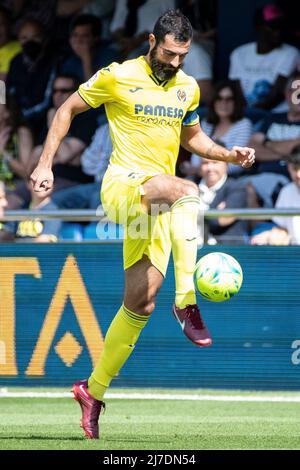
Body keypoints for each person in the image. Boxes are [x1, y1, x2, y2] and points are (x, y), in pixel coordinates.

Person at [30, 10, 255, 439]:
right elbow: (67, 109)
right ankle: (187, 300)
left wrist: (228, 154)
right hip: (122, 188)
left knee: (140, 303)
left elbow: (193, 137)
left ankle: (91, 391)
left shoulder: (186, 88)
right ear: (152, 41)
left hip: (155, 205)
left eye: (182, 56)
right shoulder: (118, 75)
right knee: (186, 190)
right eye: (168, 53)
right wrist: (45, 163)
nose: (174, 63)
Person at [229, 4, 299, 113]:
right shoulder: (239, 53)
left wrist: (252, 114)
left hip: (276, 115)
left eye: (280, 27)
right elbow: (236, 91)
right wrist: (245, 115)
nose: (278, 32)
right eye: (272, 27)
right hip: (246, 114)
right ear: (258, 27)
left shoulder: (291, 53)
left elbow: (277, 94)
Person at [187, 80, 253, 177]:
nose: (223, 103)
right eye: (219, 98)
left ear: (236, 102)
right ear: (213, 102)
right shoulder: (206, 123)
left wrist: (202, 170)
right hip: (203, 177)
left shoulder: (244, 124)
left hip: (230, 180)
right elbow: (196, 157)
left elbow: (239, 162)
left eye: (229, 99)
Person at [251, 145, 300, 246]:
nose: (298, 174)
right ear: (289, 168)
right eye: (295, 168)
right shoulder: (287, 191)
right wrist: (269, 234)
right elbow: (283, 227)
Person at [195, 158, 248, 245]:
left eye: (215, 162)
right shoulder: (190, 183)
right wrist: (214, 211)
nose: (210, 168)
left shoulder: (237, 187)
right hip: (192, 247)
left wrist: (195, 209)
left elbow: (221, 220)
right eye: (205, 163)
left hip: (228, 249)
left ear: (226, 165)